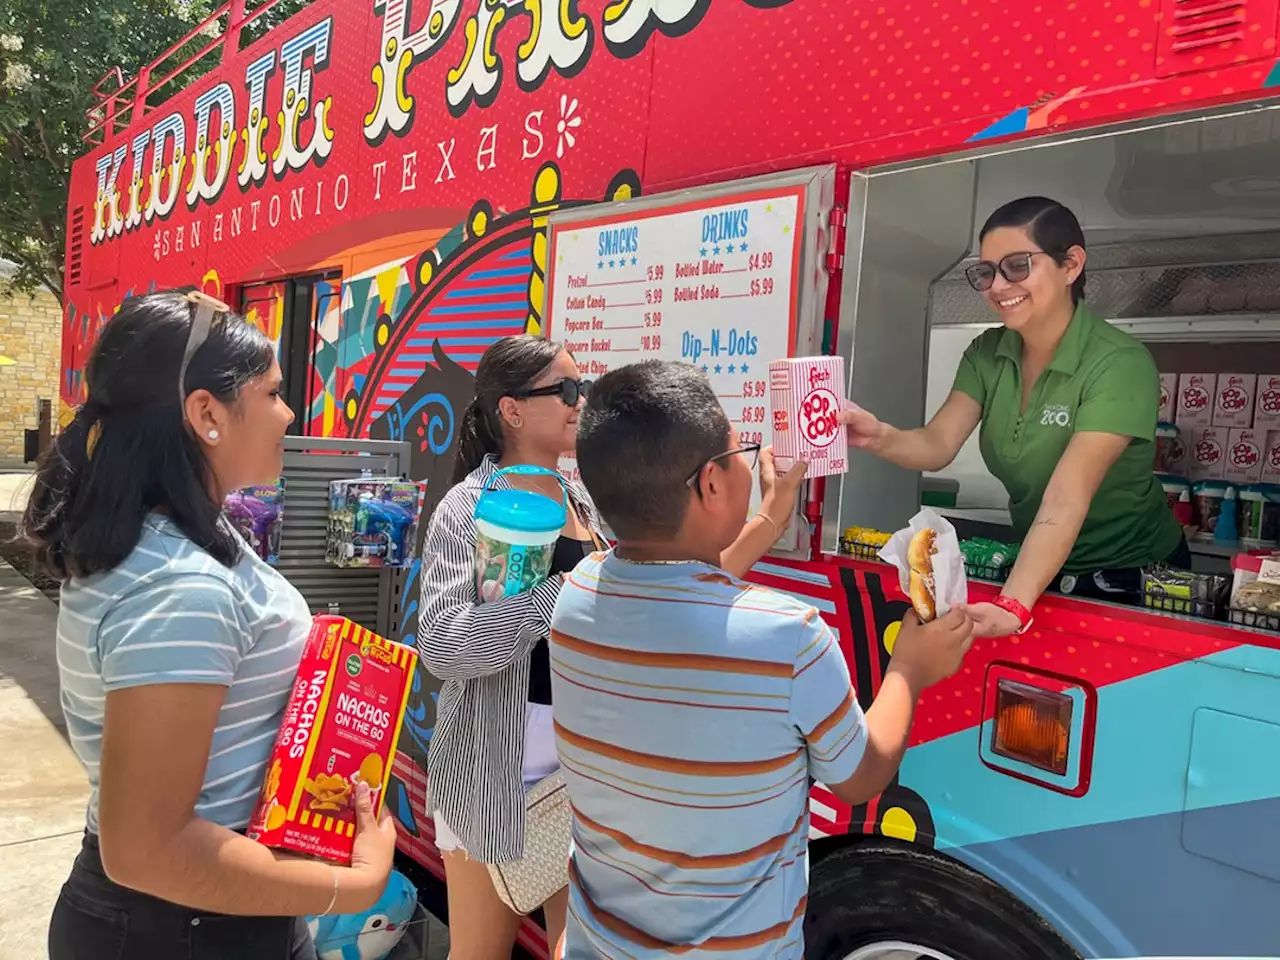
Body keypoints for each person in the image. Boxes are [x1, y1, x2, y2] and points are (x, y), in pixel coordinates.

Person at [550, 360, 974, 958]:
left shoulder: (577, 593)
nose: (750, 462)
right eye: (740, 451)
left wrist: (773, 514)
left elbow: (678, 592)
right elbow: (861, 776)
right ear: (712, 484)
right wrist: (909, 667)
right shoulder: (789, 638)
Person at [27, 291, 397, 960]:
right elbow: (149, 849)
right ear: (207, 414)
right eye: (275, 393)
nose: (290, 414)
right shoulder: (183, 586)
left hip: (199, 919)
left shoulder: (178, 539)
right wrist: (357, 884)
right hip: (185, 928)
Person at [417, 336, 807, 959]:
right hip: (492, 779)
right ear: (512, 411)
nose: (581, 403)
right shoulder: (470, 507)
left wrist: (768, 520)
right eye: (566, 391)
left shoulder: (584, 504)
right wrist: (558, 597)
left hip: (584, 780)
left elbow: (662, 599)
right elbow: (442, 645)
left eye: (585, 388)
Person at [841, 196, 1186, 636]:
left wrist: (1014, 605)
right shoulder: (988, 352)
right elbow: (938, 445)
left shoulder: (1119, 364)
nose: (998, 286)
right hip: (1040, 564)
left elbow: (1067, 497)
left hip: (1135, 574)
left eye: (1018, 266)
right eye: (986, 272)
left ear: (1071, 265)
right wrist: (877, 436)